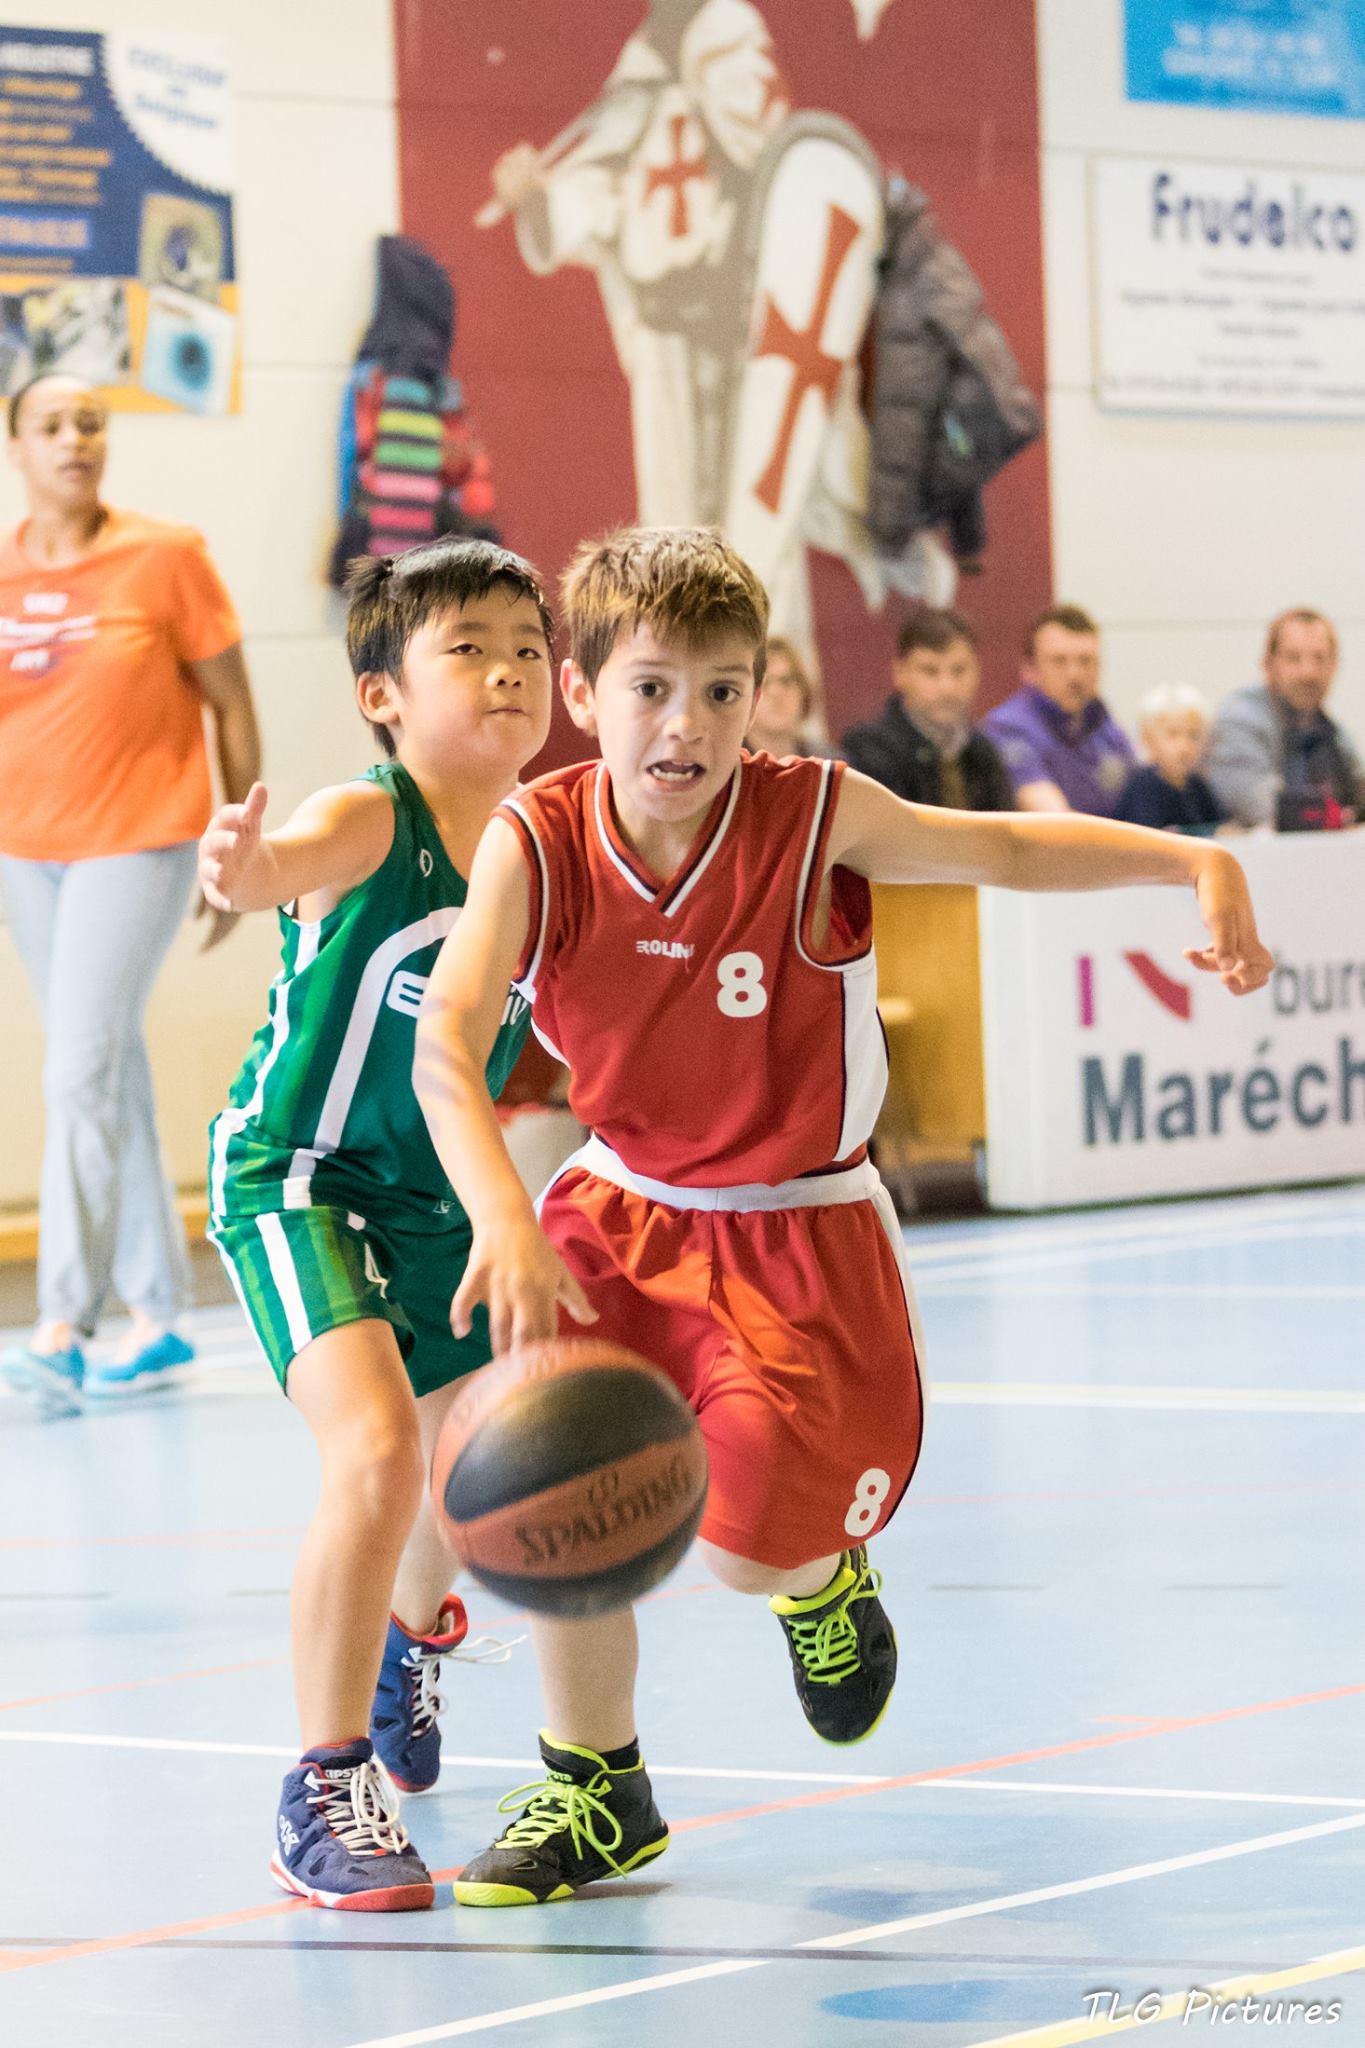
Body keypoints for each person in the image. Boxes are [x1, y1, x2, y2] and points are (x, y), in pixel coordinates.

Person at [412, 526, 1272, 1910]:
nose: (685, 724)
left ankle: (820, 1582)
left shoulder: (812, 812)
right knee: (559, 1471)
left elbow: (1001, 846)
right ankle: (598, 1783)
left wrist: (1187, 861)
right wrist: (502, 1214)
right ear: (582, 695)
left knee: (742, 1549)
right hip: (620, 1206)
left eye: (720, 690)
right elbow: (445, 1040)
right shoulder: (538, 837)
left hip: (797, 1227)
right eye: (650, 688)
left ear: (759, 695)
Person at [199, 537, 554, 1911]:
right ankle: (322, 1786)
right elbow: (275, 868)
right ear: (382, 696)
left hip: (437, 1200)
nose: (507, 670)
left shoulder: (546, 850)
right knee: (375, 1446)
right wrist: (240, 867)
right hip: (296, 1175)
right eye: (468, 648)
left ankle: (409, 1635)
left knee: (456, 1468)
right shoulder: (369, 816)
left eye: (527, 648)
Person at [0, 372, 260, 1418]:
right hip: (28, 853)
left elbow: (233, 705)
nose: (76, 439)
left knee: (77, 1071)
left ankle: (64, 1323)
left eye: (91, 423)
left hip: (141, 840)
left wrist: (239, 846)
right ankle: (159, 1314)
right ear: (18, 445)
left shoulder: (166, 555)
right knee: (110, 1069)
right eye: (53, 425)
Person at [1203, 608, 1364, 830]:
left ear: (1334, 666)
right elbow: (1263, 809)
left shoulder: (1334, 734)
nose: (1308, 672)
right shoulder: (1239, 721)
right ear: (1268, 665)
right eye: (1293, 658)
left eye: (1319, 658)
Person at [842, 607, 1014, 809]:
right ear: (900, 673)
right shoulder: (868, 751)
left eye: (959, 670)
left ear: (977, 671)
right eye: (930, 671)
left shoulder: (983, 752)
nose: (947, 687)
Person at [979, 603, 1135, 815]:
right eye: (1059, 661)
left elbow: (1139, 807)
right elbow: (1053, 819)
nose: (1074, 674)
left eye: (1085, 661)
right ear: (1029, 670)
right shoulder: (1006, 728)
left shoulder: (1108, 731)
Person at [1116, 686, 1227, 835]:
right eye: (1173, 734)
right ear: (1148, 739)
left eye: (1193, 735)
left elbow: (1221, 827)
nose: (1184, 746)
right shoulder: (1144, 787)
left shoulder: (1197, 785)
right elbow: (1150, 837)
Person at [746, 636, 819, 760]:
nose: (776, 692)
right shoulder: (722, 767)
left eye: (786, 681)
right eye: (764, 683)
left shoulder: (828, 763)